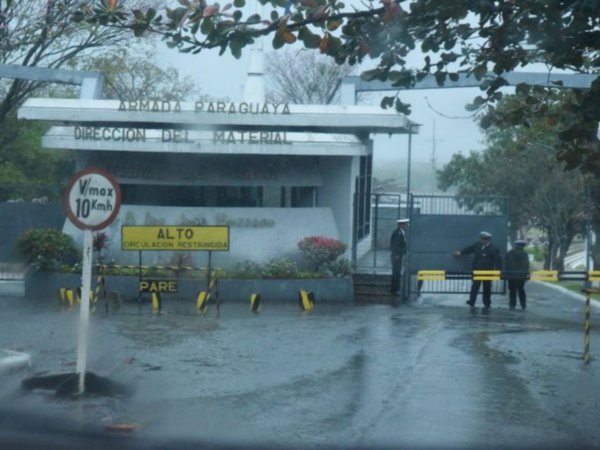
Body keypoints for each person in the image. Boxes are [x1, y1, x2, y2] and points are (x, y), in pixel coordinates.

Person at [453, 231, 502, 309]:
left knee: (487, 287)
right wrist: (461, 253)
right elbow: (469, 249)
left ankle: (487, 303)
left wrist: (498, 271)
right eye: (482, 239)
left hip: (487, 272)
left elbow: (498, 261)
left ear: (488, 240)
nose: (482, 241)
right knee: (475, 286)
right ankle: (471, 301)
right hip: (477, 270)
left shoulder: (494, 249)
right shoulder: (477, 245)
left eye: (484, 239)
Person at [505, 239, 530, 310]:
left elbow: (507, 265)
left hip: (512, 275)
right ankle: (523, 305)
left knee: (513, 290)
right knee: (520, 290)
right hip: (519, 276)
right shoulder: (524, 254)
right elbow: (526, 266)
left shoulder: (510, 253)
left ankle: (512, 305)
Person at [390, 218, 409, 295]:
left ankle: (395, 289)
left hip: (398, 255)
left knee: (397, 272)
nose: (407, 226)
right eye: (406, 224)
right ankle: (394, 290)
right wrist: (398, 254)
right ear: (401, 225)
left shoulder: (401, 232)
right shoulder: (397, 233)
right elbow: (395, 246)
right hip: (396, 256)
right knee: (396, 272)